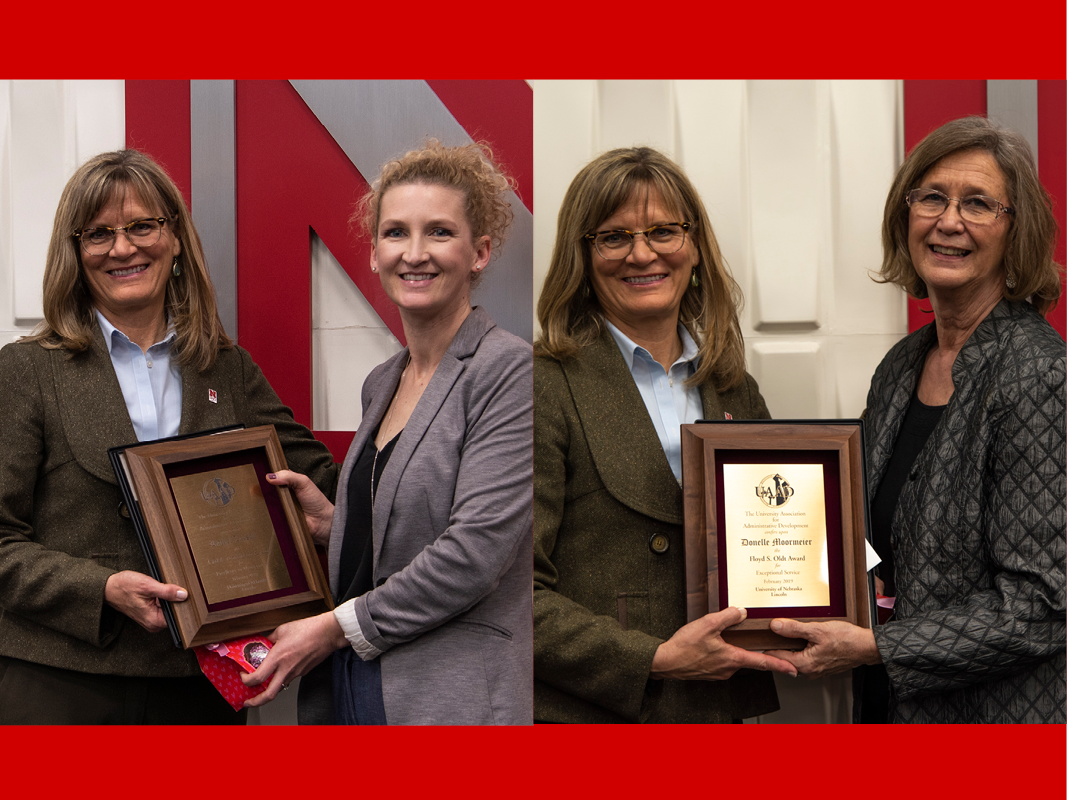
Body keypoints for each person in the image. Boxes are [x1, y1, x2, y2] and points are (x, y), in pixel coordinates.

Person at [0, 149, 337, 724]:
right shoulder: (27, 371)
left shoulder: (225, 368)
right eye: (99, 233)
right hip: (63, 685)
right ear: (76, 253)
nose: (124, 248)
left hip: (200, 689)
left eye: (142, 226)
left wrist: (325, 517)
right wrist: (100, 587)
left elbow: (325, 485)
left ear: (175, 238)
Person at [766, 117, 1066, 724]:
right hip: (891, 706)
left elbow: (1042, 604)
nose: (948, 221)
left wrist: (879, 646)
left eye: (978, 203)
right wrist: (747, 475)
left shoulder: (1041, 376)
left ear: (1016, 231)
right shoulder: (903, 366)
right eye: (931, 197)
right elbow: (861, 524)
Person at [242, 140, 533, 725]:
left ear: (480, 252)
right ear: (374, 253)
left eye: (440, 233)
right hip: (355, 686)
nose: (415, 253)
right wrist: (336, 521)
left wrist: (332, 628)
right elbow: (405, 526)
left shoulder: (510, 371)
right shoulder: (384, 381)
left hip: (451, 699)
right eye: (396, 232)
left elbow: (473, 554)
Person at [534, 146, 796, 724]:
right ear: (583, 256)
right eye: (614, 236)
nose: (642, 253)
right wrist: (651, 657)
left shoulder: (734, 388)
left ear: (695, 246)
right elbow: (512, 592)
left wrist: (832, 589)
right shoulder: (542, 386)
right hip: (590, 716)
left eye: (663, 231)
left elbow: (784, 538)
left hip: (714, 710)